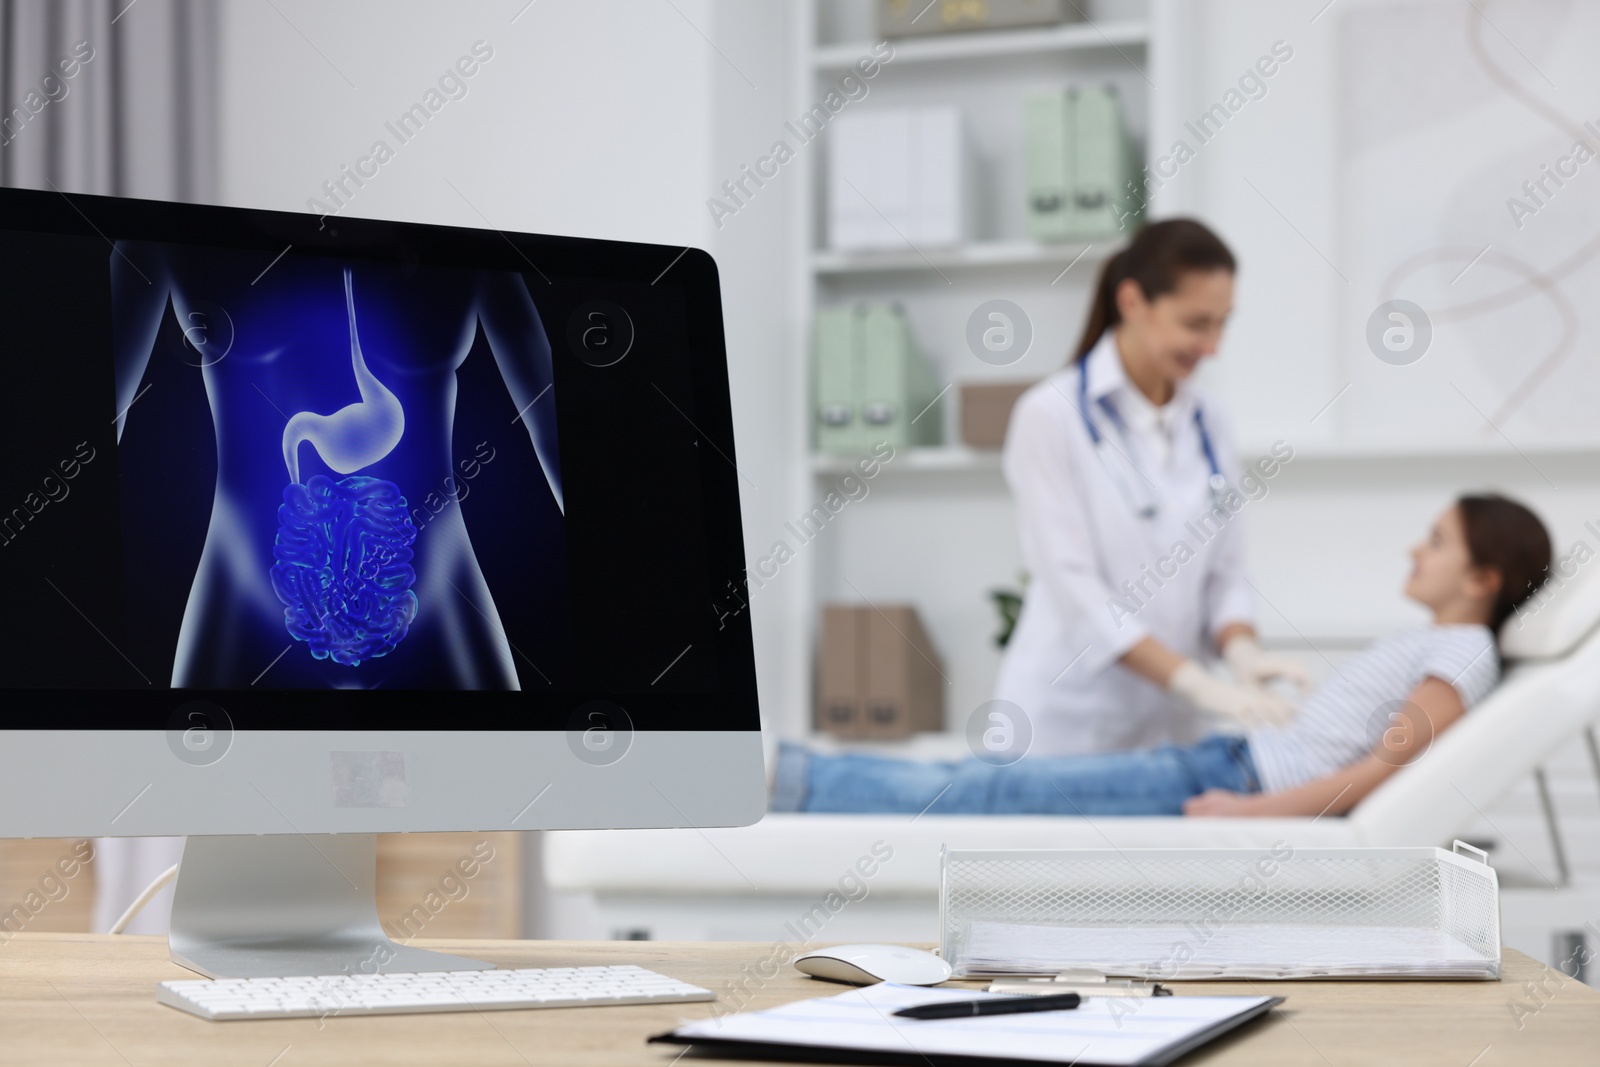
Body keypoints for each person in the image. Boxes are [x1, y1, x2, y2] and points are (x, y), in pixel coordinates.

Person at [772, 494, 1551, 817]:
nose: (1418, 547)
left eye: (1439, 541)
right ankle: (803, 776)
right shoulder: (1450, 642)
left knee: (992, 794)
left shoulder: (1464, 650)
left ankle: (800, 779)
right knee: (992, 787)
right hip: (1228, 759)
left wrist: (1250, 813)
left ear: (1482, 577)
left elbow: (1380, 771)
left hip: (1231, 778)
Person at [997, 218, 1305, 756]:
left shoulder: (1211, 420)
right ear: (1133, 300)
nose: (1212, 347)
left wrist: (1242, 653)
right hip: (1069, 721)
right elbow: (1077, 592)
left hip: (1173, 728)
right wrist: (1195, 682)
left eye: (1222, 325)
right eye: (1195, 323)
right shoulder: (1051, 415)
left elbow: (1226, 571)